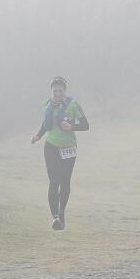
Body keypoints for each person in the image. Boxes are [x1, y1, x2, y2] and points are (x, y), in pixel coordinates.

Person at [31, 76, 89, 230]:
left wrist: (71, 127)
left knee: (65, 182)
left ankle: (62, 211)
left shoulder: (72, 104)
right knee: (53, 181)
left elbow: (85, 125)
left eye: (60, 91)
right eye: (55, 91)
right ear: (51, 91)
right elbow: (46, 123)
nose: (57, 94)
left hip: (68, 148)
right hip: (50, 146)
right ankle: (55, 217)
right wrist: (38, 136)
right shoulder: (47, 104)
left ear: (65, 91)